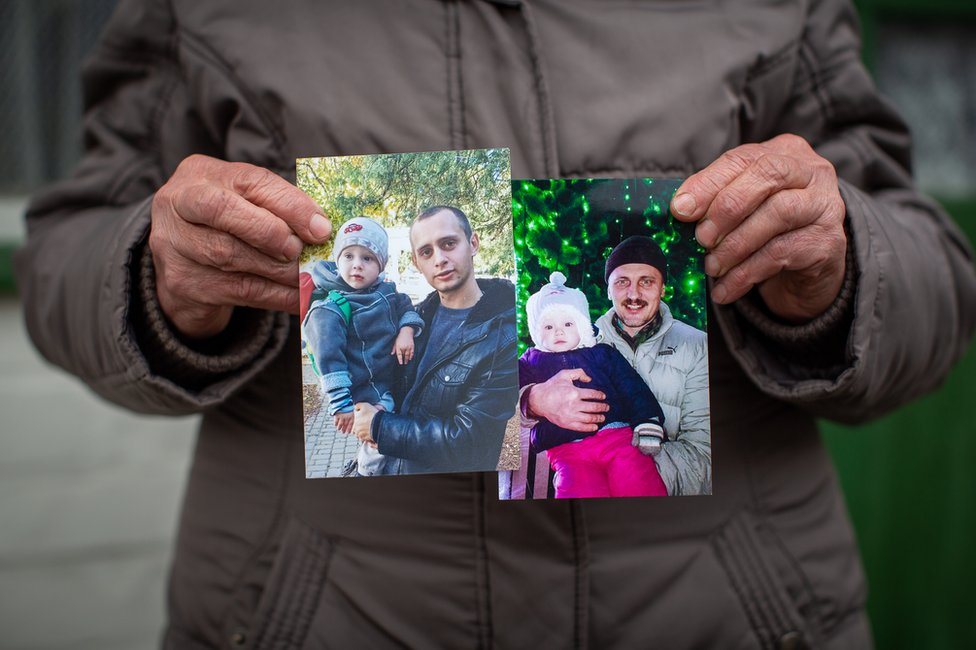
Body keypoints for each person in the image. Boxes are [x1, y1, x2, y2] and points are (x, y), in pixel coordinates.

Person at [13, 1, 976, 647]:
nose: (432, 261)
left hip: (727, 606)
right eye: (415, 251)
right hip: (319, 609)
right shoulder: (396, 316)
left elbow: (931, 270)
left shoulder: (561, 320)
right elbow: (72, 239)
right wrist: (156, 274)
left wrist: (840, 265)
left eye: (447, 248)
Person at [351, 205, 518, 475]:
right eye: (426, 252)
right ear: (417, 263)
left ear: (473, 243)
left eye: (449, 243)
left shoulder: (503, 337)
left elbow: (470, 441)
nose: (439, 259)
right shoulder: (415, 319)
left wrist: (380, 426)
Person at [519, 271, 668, 498]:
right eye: (548, 327)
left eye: (568, 323)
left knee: (637, 482)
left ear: (582, 326)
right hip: (567, 450)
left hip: (617, 438)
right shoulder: (530, 361)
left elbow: (631, 385)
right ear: (538, 333)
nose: (558, 331)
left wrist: (646, 421)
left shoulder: (602, 353)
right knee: (578, 490)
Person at [301, 216, 424, 476]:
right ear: (337, 259)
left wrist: (407, 329)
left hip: (388, 383)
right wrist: (341, 405)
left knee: (384, 439)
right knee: (378, 443)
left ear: (381, 265)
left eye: (367, 258)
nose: (357, 265)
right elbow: (329, 361)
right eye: (348, 256)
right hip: (364, 393)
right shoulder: (329, 309)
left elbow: (404, 305)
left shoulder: (385, 290)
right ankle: (365, 474)